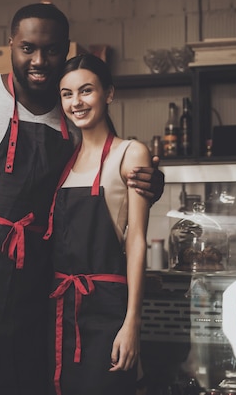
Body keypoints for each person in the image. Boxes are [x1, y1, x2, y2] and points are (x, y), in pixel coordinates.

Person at [0, 3, 163, 395]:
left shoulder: (74, 118)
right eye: (27, 48)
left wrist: (149, 186)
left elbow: (111, 179)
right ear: (10, 45)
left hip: (35, 298)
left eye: (52, 50)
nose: (39, 60)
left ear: (66, 49)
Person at [44, 54, 149, 395]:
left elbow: (136, 241)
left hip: (107, 310)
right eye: (67, 93)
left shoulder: (130, 153)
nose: (76, 102)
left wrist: (131, 322)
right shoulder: (62, 158)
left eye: (86, 90)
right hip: (58, 309)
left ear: (109, 94)